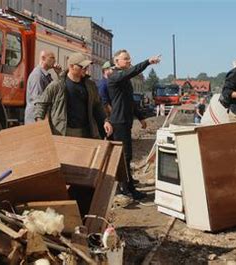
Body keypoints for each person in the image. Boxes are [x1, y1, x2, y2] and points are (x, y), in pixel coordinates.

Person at [108, 49, 160, 200]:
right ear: (116, 61)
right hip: (118, 122)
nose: (129, 61)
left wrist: (141, 117)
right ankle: (125, 188)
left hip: (126, 120)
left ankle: (127, 185)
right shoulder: (115, 76)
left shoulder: (124, 78)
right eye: (126, 59)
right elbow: (131, 72)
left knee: (127, 155)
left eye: (129, 58)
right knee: (124, 156)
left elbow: (130, 101)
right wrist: (148, 62)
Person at [34, 52, 112, 139]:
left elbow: (97, 105)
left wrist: (105, 121)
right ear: (71, 66)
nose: (85, 69)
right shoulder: (57, 85)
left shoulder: (90, 85)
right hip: (63, 132)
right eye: (82, 67)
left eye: (86, 67)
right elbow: (41, 104)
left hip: (86, 132)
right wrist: (39, 123)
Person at [24, 51, 61, 124]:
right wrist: (40, 120)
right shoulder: (37, 75)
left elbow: (58, 90)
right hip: (35, 119)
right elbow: (38, 100)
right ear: (43, 58)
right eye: (52, 58)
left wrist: (59, 74)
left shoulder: (45, 76)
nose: (55, 60)